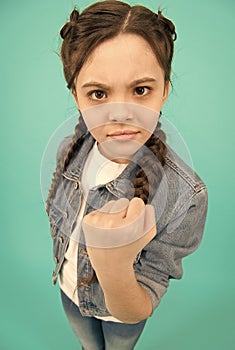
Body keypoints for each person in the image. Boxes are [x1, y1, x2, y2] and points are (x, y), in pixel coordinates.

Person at [46, 1, 208, 349]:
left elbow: (140, 303)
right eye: (99, 93)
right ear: (76, 96)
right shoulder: (68, 152)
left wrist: (114, 262)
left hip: (121, 315)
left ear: (164, 89)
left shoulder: (185, 194)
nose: (121, 113)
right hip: (70, 291)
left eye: (140, 90)